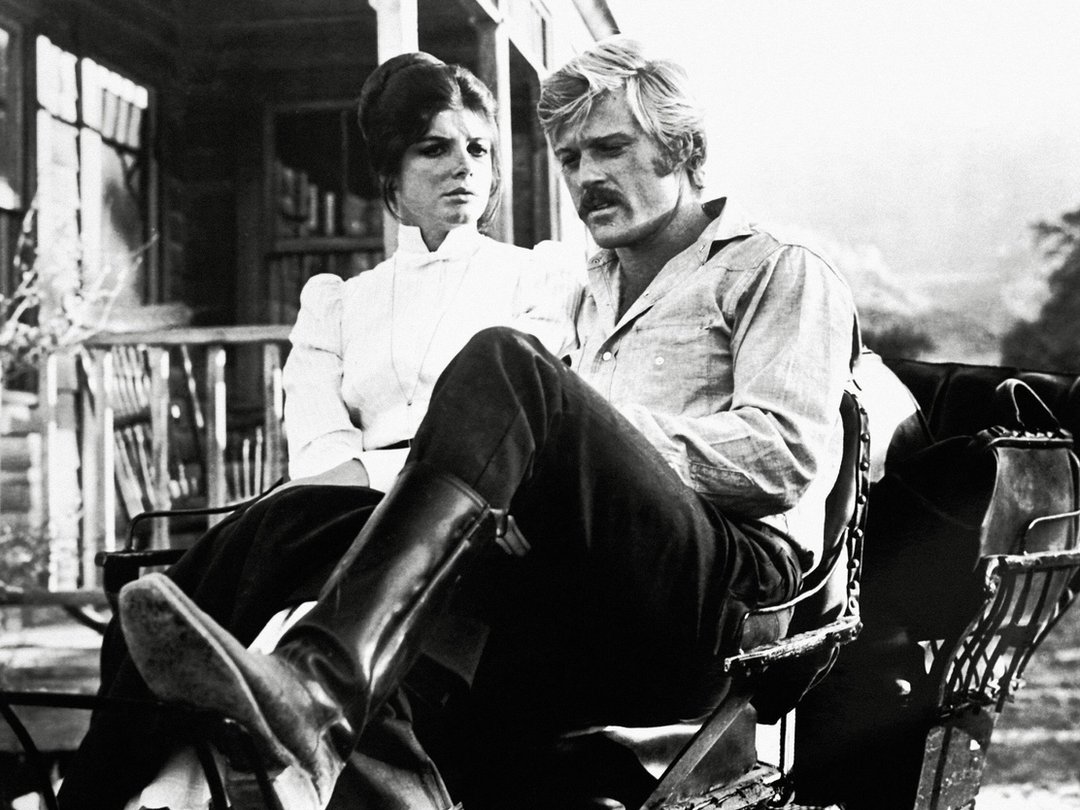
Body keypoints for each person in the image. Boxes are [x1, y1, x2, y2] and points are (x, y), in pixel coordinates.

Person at [116, 36, 860, 810]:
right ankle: (164, 753)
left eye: (610, 148)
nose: (586, 177)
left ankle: (321, 683)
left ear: (685, 149)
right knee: (339, 558)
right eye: (570, 159)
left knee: (503, 361)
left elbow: (781, 457)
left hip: (724, 601)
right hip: (587, 603)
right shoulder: (587, 290)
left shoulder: (774, 268)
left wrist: (579, 445)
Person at [57, 52, 577, 810]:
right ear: (390, 173)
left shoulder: (537, 278)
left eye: (478, 148)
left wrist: (379, 475)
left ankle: (175, 782)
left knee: (274, 553)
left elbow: (526, 420)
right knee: (266, 543)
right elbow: (318, 445)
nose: (463, 166)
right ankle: (181, 767)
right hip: (337, 507)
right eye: (433, 148)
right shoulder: (340, 301)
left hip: (469, 520)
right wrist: (355, 477)